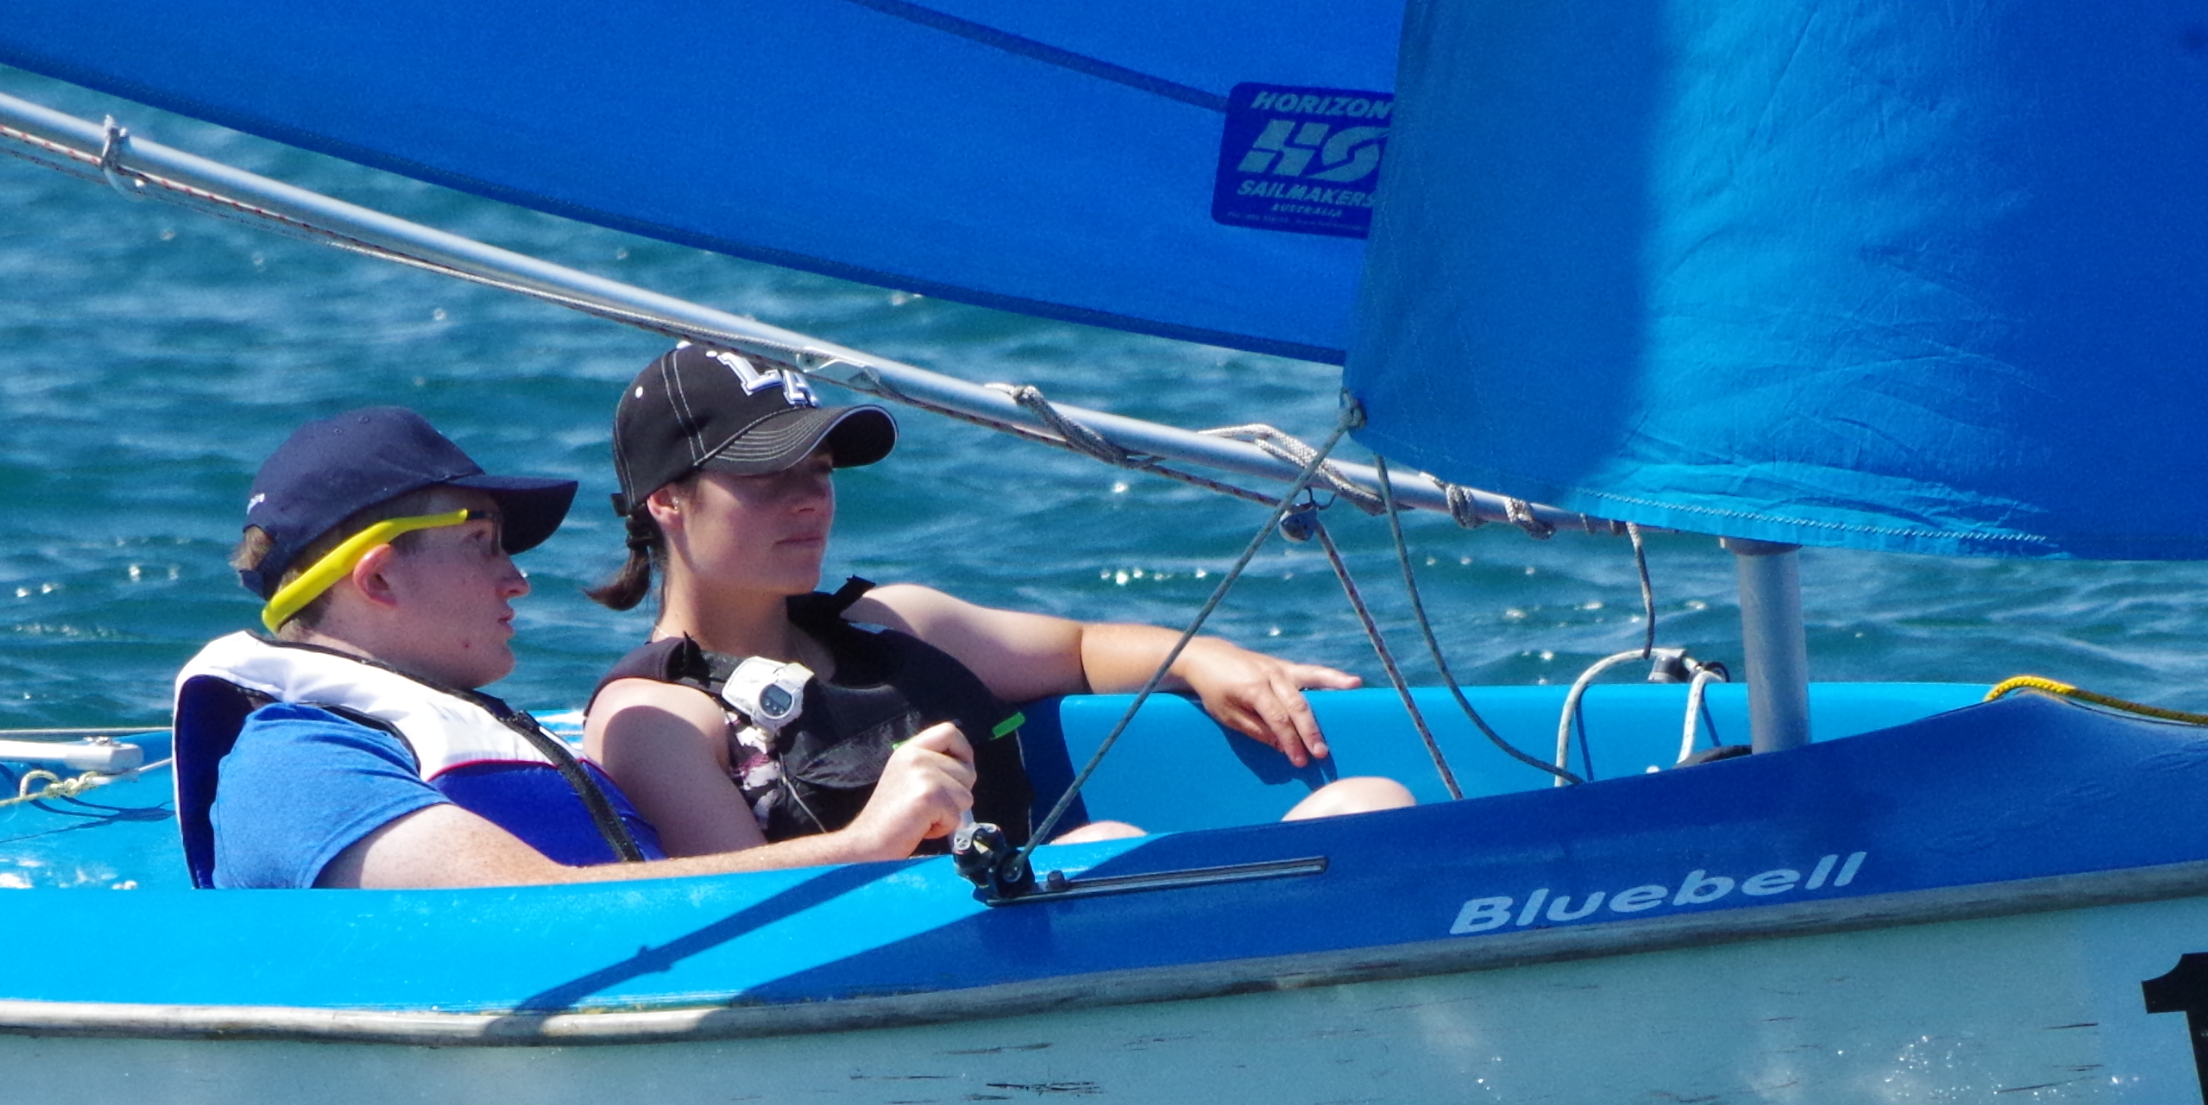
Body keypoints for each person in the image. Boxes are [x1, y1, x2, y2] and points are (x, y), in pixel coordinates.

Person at [576, 344, 1417, 853]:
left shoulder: (893, 622)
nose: (809, 501)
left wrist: (1204, 659)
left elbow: (1084, 651)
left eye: (821, 473)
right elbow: (735, 912)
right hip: (927, 992)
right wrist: (880, 836)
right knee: (1106, 849)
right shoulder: (658, 716)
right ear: (667, 501)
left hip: (1064, 939)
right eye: (766, 477)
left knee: (1367, 803)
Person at [172, 406, 978, 890]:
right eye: (484, 543)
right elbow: (541, 906)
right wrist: (862, 846)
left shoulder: (459, 736)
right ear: (379, 578)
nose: (517, 581)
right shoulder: (300, 771)